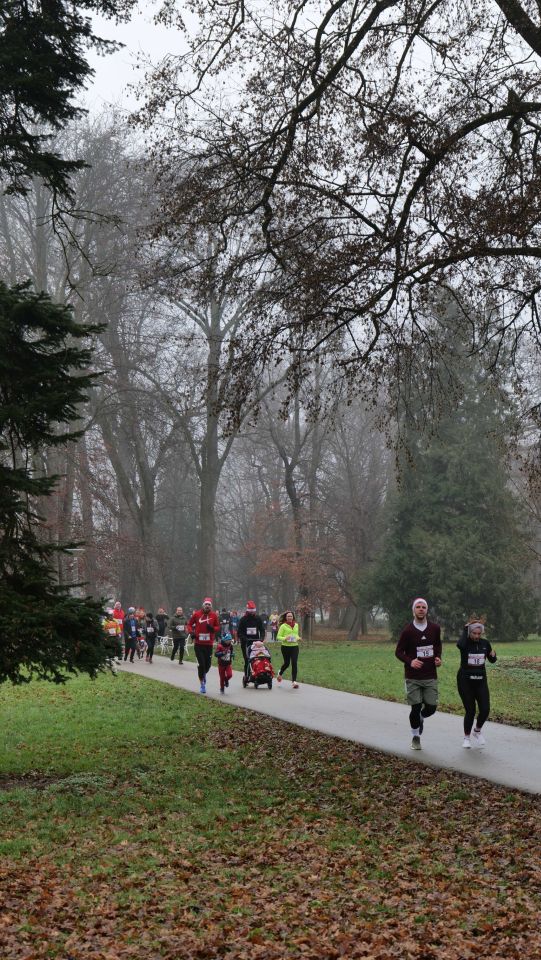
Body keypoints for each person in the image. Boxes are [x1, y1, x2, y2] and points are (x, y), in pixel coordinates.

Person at [395, 597, 442, 751]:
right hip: (413, 677)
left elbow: (437, 645)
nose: (421, 609)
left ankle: (421, 717)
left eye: (423, 607)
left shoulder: (435, 628)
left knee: (431, 707)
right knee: (415, 708)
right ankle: (416, 737)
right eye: (418, 607)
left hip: (430, 675)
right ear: (413, 610)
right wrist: (411, 662)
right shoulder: (408, 631)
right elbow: (398, 652)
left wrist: (438, 658)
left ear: (427, 610)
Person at [457, 618, 497, 748]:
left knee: (485, 709)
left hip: (480, 680)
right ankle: (466, 738)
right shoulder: (465, 643)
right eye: (474, 633)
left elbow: (492, 660)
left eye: (479, 634)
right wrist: (465, 629)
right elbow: (460, 645)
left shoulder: (485, 643)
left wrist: (493, 656)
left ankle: (477, 731)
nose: (477, 636)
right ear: (470, 632)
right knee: (471, 710)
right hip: (465, 681)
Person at [188, 598, 220, 694]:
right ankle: (202, 684)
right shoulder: (197, 614)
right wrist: (191, 633)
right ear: (203, 605)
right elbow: (189, 624)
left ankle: (203, 674)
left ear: (211, 606)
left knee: (208, 665)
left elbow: (218, 627)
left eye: (209, 605)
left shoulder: (214, 615)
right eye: (206, 604)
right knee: (201, 665)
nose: (207, 606)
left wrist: (213, 629)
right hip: (198, 644)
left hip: (209, 644)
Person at [237, 601, 265, 676]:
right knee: (247, 660)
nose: (252, 612)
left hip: (256, 642)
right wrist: (244, 638)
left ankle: (257, 673)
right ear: (248, 610)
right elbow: (239, 632)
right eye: (250, 611)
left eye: (253, 611)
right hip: (245, 642)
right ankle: (247, 675)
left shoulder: (258, 618)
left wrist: (261, 639)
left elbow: (262, 630)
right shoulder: (243, 619)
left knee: (257, 658)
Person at [276, 611, 301, 689]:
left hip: (295, 646)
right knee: (287, 663)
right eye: (288, 616)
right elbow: (278, 637)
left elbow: (296, 635)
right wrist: (285, 638)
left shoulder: (296, 625)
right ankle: (280, 673)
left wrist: (298, 638)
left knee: (294, 663)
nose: (290, 617)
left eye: (291, 616)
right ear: (286, 618)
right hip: (285, 647)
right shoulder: (283, 626)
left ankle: (294, 682)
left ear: (293, 617)